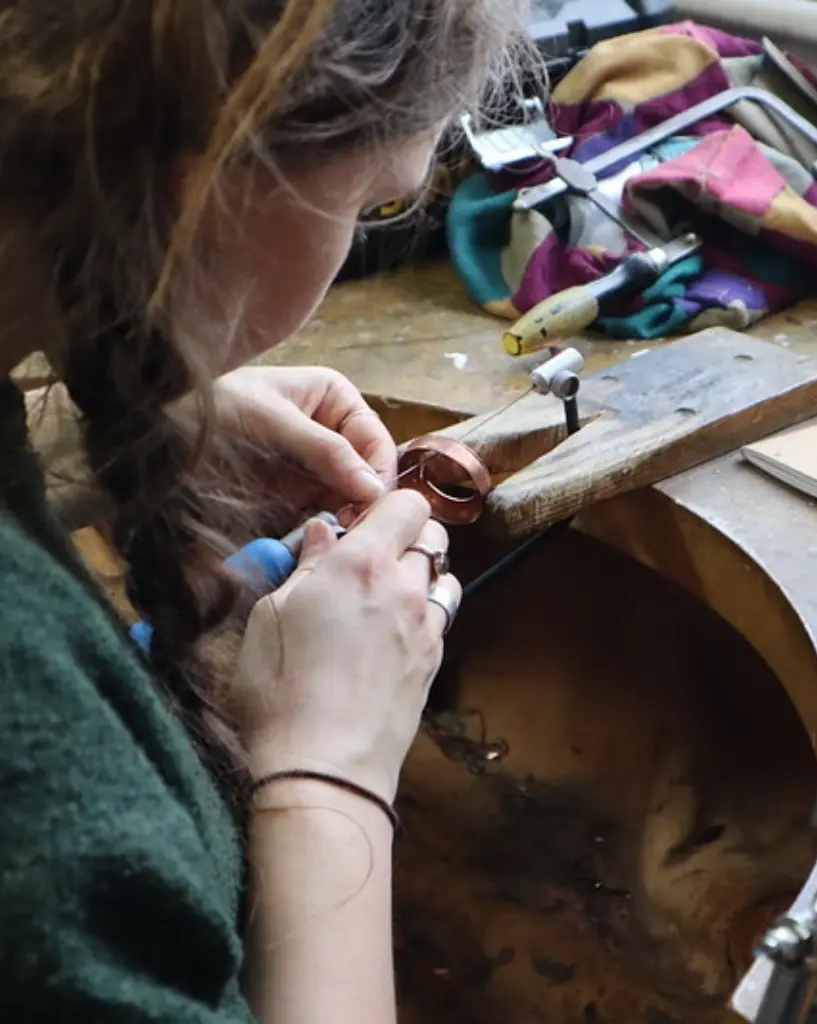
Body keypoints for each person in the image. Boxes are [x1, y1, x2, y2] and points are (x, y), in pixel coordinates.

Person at [0, 2, 532, 1021]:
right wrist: (328, 773)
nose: (354, 247)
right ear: (200, 197)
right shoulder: (33, 730)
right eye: (372, 208)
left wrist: (79, 435)